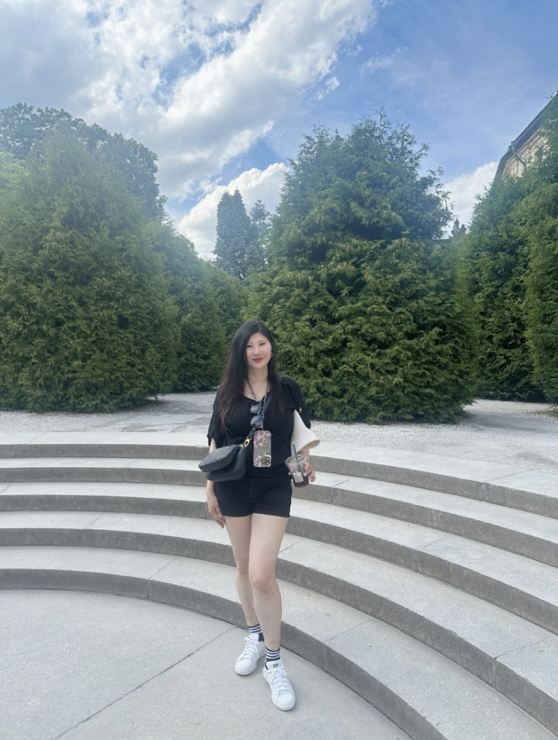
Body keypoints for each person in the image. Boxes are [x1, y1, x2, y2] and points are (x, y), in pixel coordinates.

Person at [205, 320, 316, 711]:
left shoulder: (287, 388)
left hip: (273, 487)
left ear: (271, 347)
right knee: (241, 564)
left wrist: (304, 463)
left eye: (262, 343)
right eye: (249, 345)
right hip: (233, 486)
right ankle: (253, 634)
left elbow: (300, 435)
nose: (256, 351)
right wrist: (209, 489)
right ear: (241, 351)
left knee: (261, 573)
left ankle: (273, 661)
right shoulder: (227, 391)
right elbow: (216, 441)